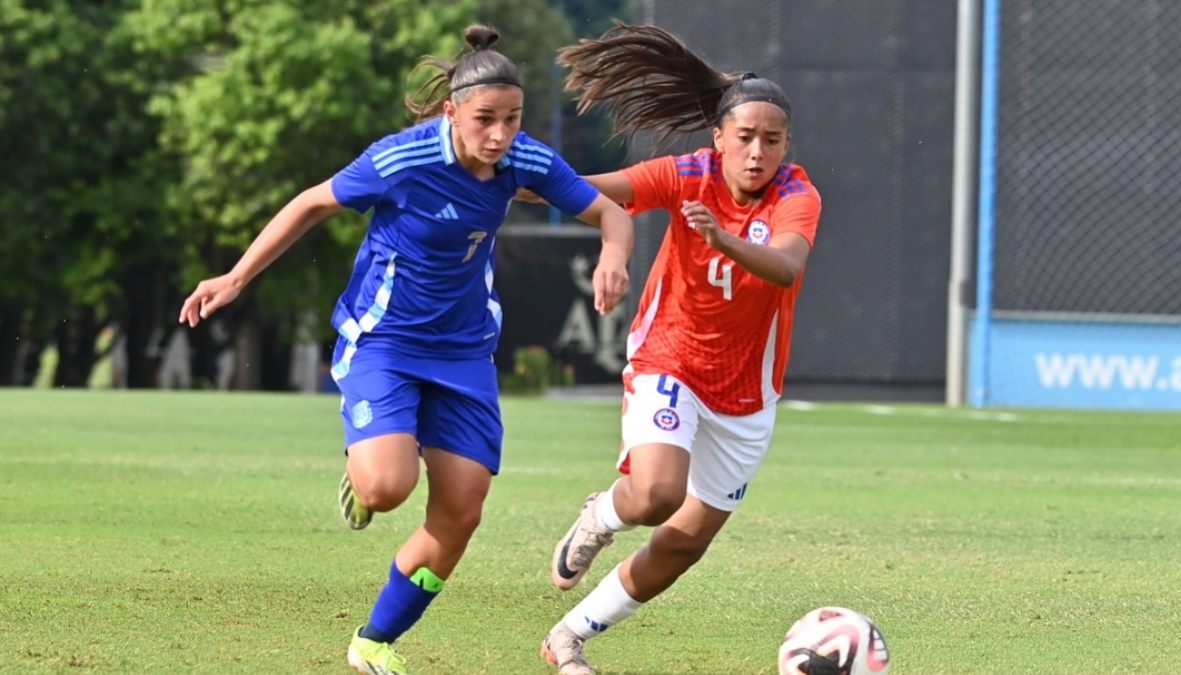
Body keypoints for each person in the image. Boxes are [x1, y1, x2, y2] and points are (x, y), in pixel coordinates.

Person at [178, 25, 634, 675]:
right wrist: (236, 276)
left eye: (512, 119)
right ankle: (365, 471)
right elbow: (312, 203)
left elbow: (611, 213)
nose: (500, 134)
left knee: (462, 512)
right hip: (384, 342)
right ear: (452, 112)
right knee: (387, 487)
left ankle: (373, 641)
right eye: (485, 120)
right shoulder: (402, 159)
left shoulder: (524, 161)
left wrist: (613, 257)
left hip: (465, 353)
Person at [533, 23, 822, 675]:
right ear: (718, 137)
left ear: (786, 145)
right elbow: (599, 191)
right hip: (672, 357)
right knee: (657, 494)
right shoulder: (684, 174)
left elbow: (784, 267)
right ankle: (601, 515)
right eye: (744, 137)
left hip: (747, 396)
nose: (757, 152)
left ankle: (567, 637)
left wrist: (721, 239)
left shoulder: (796, 195)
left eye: (771, 140)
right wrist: (522, 181)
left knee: (685, 541)